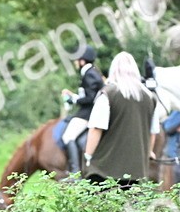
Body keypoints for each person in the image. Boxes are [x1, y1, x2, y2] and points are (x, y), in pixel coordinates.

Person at [83, 52, 158, 187]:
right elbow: (153, 132)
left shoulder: (108, 94)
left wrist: (88, 156)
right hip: (135, 172)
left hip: (103, 171)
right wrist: (148, 152)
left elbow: (96, 128)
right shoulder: (150, 97)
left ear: (113, 70)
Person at [60, 45, 104, 175]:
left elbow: (90, 98)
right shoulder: (92, 72)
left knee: (67, 137)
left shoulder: (89, 74)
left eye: (76, 60)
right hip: (89, 111)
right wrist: (73, 96)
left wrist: (73, 100)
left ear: (82, 61)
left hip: (89, 113)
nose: (75, 63)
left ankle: (75, 171)